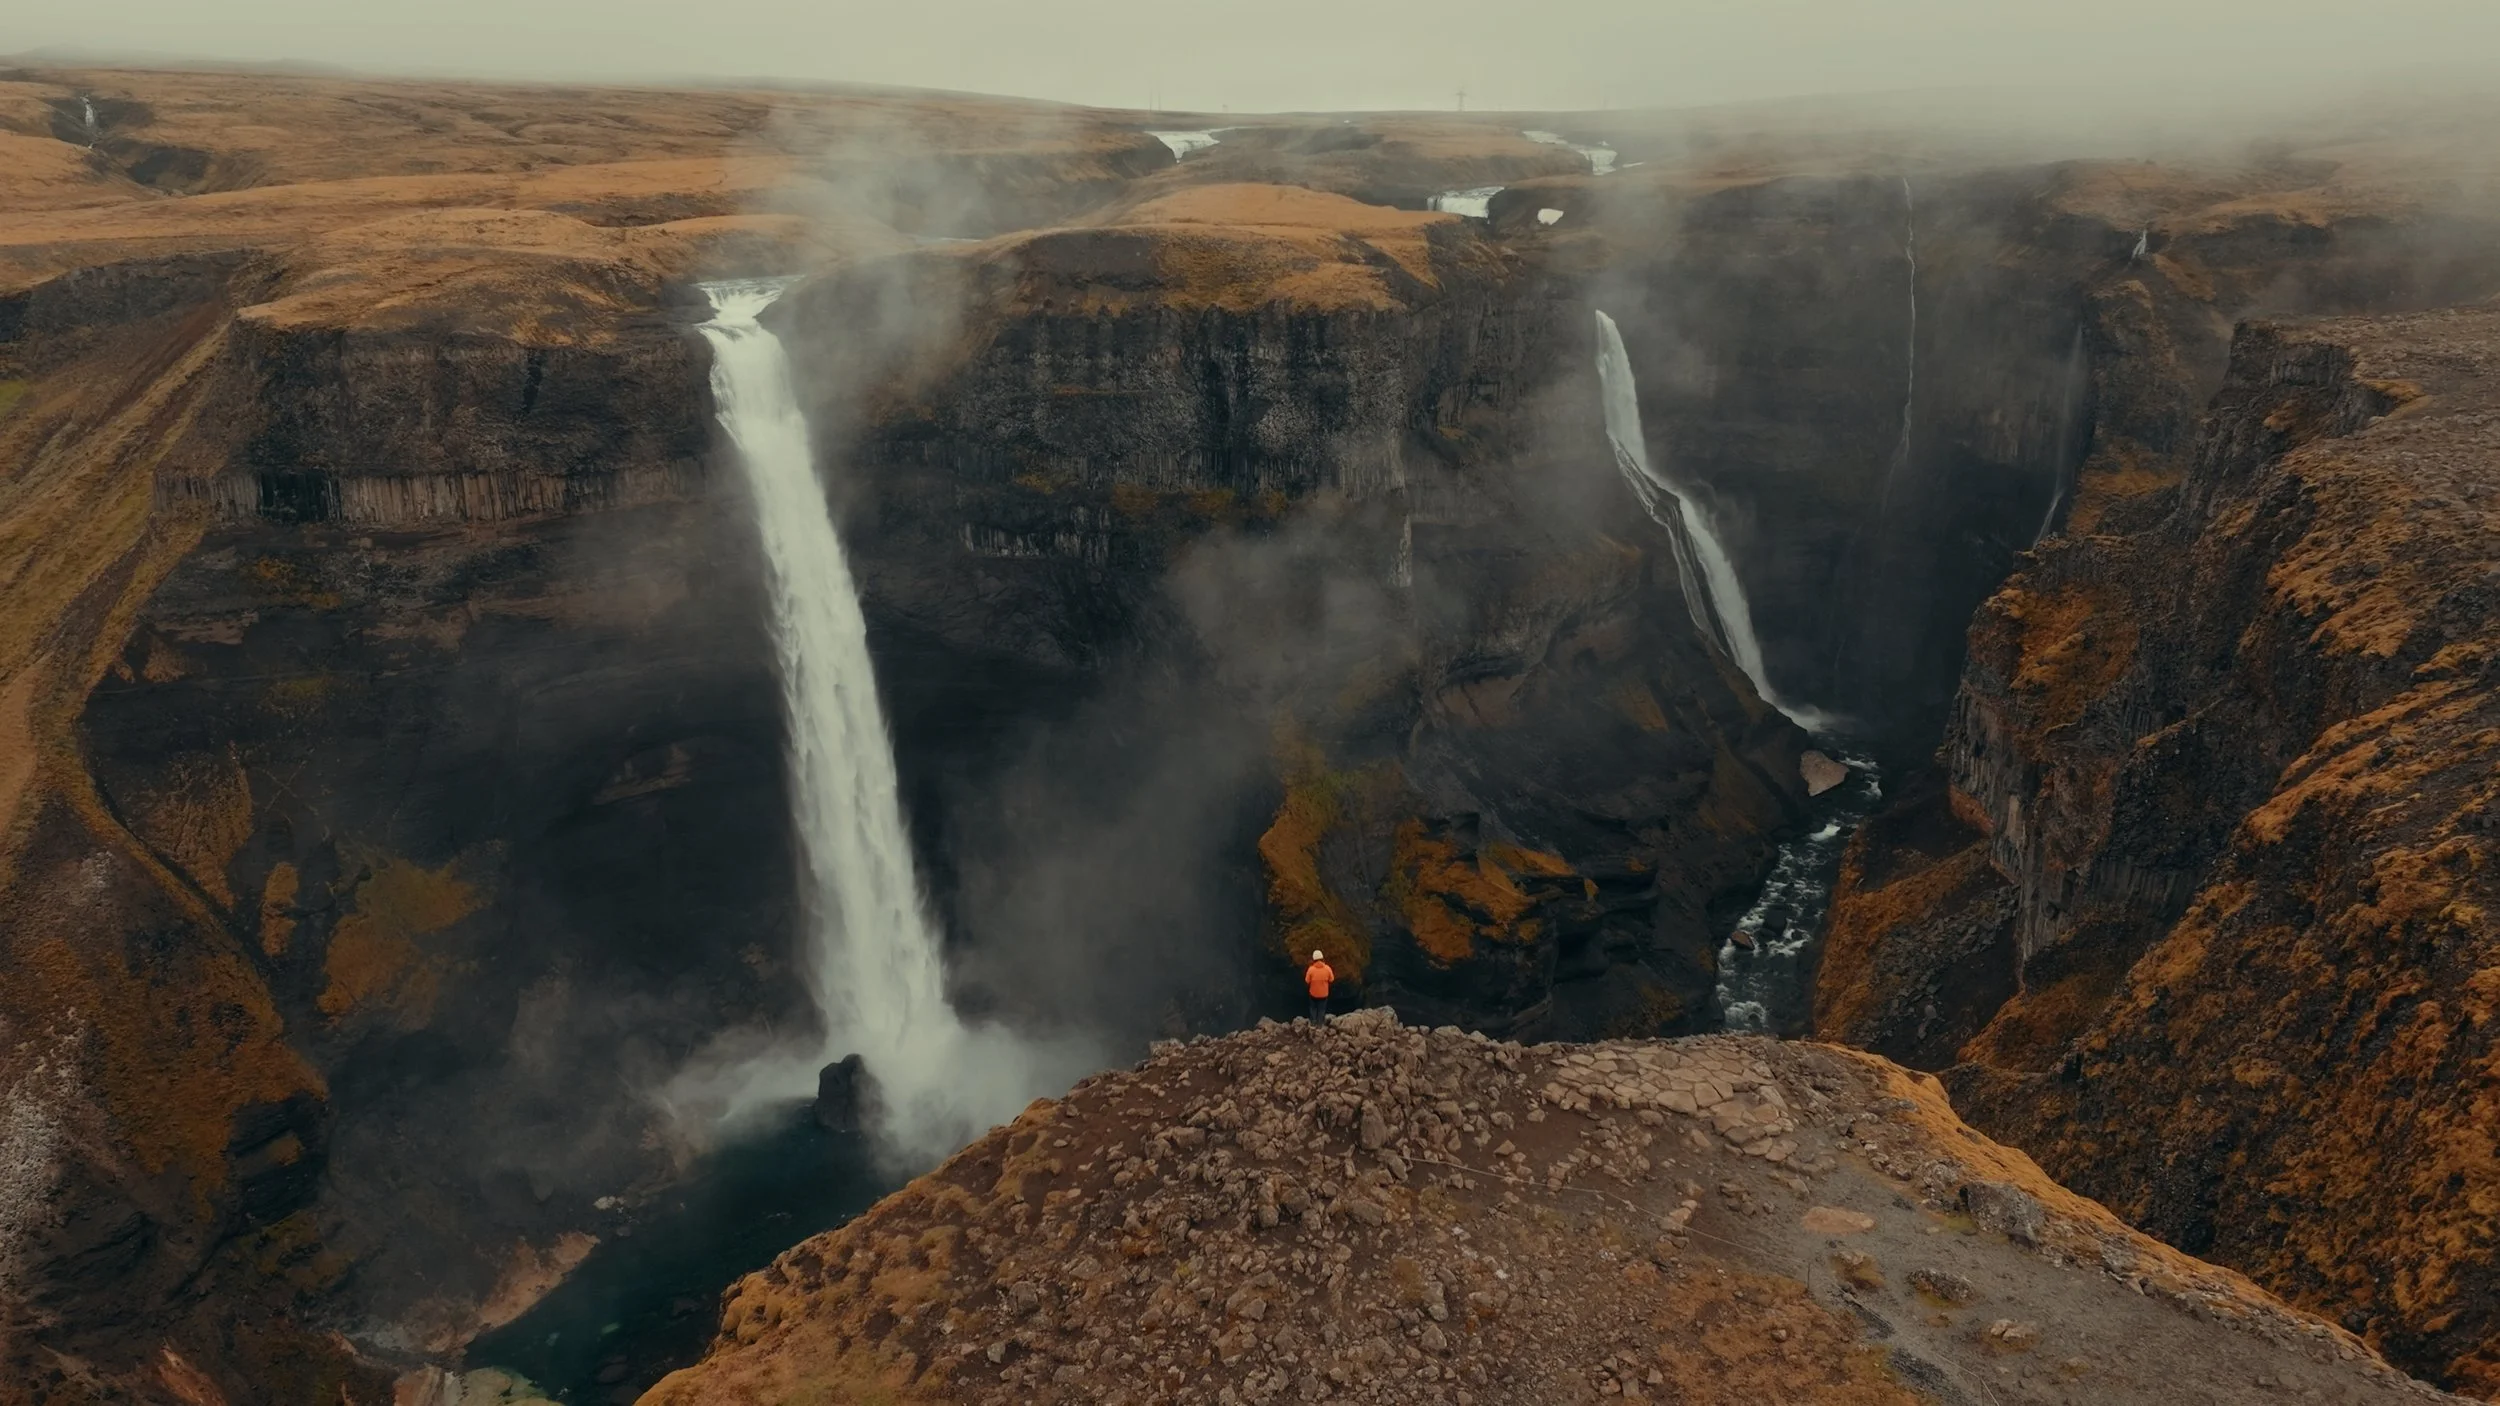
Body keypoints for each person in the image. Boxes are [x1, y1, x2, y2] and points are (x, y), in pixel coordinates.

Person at [1303, 949, 1334, 1020]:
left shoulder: (1311, 969)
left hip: (1313, 994)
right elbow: (1331, 979)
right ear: (1322, 958)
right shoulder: (1327, 968)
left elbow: (1307, 981)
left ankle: (1313, 1024)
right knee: (1321, 1009)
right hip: (1324, 994)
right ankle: (1319, 1025)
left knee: (1313, 1008)